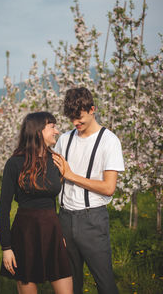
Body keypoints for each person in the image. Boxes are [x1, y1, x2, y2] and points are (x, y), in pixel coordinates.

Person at [53, 87, 125, 294]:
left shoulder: (109, 141)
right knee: (70, 284)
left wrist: (71, 175)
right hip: (64, 218)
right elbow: (54, 179)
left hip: (92, 219)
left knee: (105, 284)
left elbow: (109, 188)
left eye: (80, 118)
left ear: (92, 109)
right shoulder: (64, 139)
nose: (76, 124)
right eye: (72, 120)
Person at [0, 111, 73, 294]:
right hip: (25, 233)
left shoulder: (56, 161)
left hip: (52, 230)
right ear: (38, 131)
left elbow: (53, 201)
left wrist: (60, 232)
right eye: (52, 127)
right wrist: (6, 248)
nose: (57, 131)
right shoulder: (14, 163)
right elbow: (3, 209)